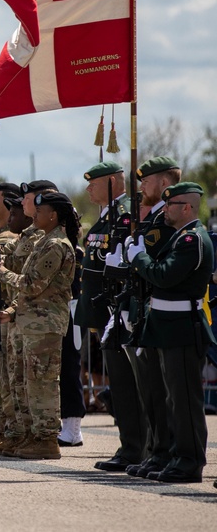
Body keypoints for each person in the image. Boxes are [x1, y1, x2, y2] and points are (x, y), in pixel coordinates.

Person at [0, 191, 78, 459]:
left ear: (53, 215)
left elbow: (31, 284)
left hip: (45, 325)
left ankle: (46, 439)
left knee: (42, 383)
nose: (36, 216)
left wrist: (0, 271)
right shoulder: (45, 241)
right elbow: (29, 289)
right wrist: (10, 310)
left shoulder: (56, 245)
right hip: (30, 322)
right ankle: (31, 435)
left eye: (41, 212)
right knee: (26, 383)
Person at [126, 181, 215, 483]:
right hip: (168, 328)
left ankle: (190, 461)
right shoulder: (179, 238)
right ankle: (176, 455)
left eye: (171, 206)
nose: (164, 211)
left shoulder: (192, 240)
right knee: (172, 400)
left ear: (187, 207)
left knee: (185, 400)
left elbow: (163, 276)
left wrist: (138, 258)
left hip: (182, 329)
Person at [75, 161, 144, 473]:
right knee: (119, 382)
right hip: (103, 313)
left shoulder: (126, 214)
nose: (89, 188)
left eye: (95, 182)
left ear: (116, 182)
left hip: (120, 311)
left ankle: (135, 448)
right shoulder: (106, 217)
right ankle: (130, 445)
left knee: (129, 384)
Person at [122, 156, 181, 477]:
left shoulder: (169, 222)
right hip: (141, 308)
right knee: (150, 390)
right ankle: (156, 451)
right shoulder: (151, 218)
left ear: (164, 183)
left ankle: (168, 452)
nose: (142, 186)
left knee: (165, 390)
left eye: (147, 181)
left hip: (163, 312)